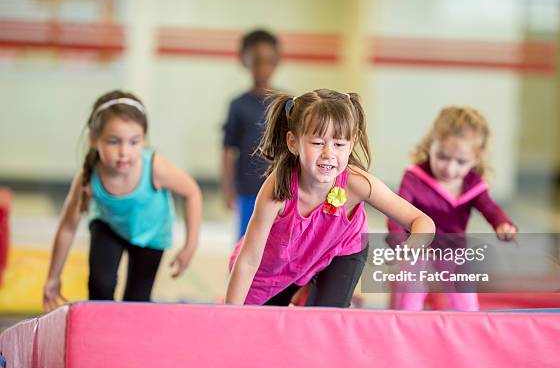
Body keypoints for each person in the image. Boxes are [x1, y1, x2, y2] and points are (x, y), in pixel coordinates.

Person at [225, 89, 435, 307]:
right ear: (293, 142)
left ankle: (316, 290)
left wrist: (408, 251)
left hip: (341, 251)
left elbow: (422, 222)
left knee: (323, 320)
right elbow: (249, 260)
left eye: (339, 144)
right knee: (260, 325)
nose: (328, 153)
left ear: (351, 144)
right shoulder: (278, 189)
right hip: (278, 266)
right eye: (317, 143)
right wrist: (231, 315)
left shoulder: (357, 183)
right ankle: (303, 290)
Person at [43, 90, 202, 311]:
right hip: (110, 227)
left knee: (135, 304)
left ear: (143, 139)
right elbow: (68, 226)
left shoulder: (155, 168)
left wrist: (190, 245)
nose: (124, 152)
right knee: (100, 285)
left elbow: (192, 192)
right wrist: (53, 276)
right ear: (94, 140)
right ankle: (97, 335)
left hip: (151, 234)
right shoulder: (88, 177)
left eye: (134, 142)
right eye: (113, 141)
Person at [387, 106, 517, 311]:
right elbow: (396, 212)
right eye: (443, 157)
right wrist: (398, 242)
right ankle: (406, 325)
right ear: (431, 146)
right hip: (416, 246)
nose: (450, 168)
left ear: (476, 159)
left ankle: (466, 328)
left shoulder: (473, 185)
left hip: (452, 249)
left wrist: (503, 225)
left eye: (461, 162)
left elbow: (491, 209)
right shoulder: (414, 177)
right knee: (411, 286)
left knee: (464, 295)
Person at [221, 29, 280, 238]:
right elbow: (228, 149)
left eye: (268, 60)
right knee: (246, 243)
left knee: (276, 244)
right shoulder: (237, 105)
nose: (262, 67)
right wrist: (228, 189)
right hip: (247, 190)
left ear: (276, 61)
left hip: (279, 189)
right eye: (256, 60)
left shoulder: (287, 103)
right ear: (245, 61)